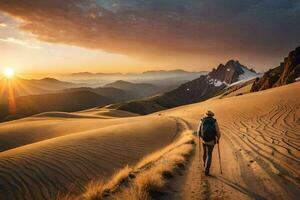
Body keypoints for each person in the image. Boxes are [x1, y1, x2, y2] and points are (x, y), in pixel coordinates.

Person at [197, 110, 221, 176]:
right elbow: (218, 132)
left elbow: (198, 130)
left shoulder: (202, 120)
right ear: (212, 115)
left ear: (206, 115)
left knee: (205, 152)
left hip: (204, 140)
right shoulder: (214, 121)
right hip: (211, 141)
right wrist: (218, 139)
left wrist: (200, 137)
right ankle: (206, 171)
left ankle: (205, 165)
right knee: (209, 154)